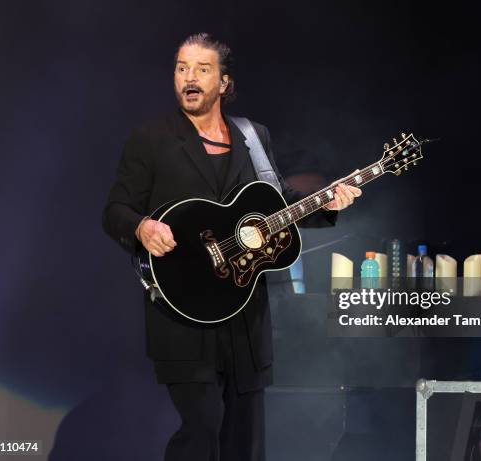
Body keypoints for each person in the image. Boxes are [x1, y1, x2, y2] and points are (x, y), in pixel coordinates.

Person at [102, 32, 362, 461]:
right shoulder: (150, 140)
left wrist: (329, 204)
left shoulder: (252, 136)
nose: (190, 78)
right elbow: (114, 210)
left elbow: (275, 207)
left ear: (224, 83)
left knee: (246, 444)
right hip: (183, 313)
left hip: (245, 319)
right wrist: (141, 227)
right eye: (182, 68)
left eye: (203, 70)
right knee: (201, 433)